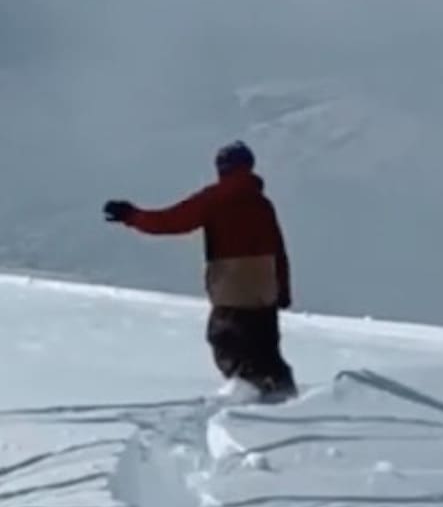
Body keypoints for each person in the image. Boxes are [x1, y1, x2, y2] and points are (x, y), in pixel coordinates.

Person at [103, 140, 297, 400]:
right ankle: (285, 399)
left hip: (232, 289)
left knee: (227, 342)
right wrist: (282, 289)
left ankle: (253, 399)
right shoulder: (262, 203)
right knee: (266, 349)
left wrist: (132, 216)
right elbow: (278, 250)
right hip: (265, 288)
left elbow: (172, 221)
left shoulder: (216, 198)